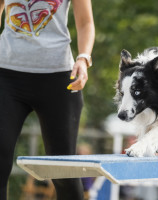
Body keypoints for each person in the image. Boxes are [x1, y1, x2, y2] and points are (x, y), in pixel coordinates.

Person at [0, 0, 95, 199]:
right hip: (6, 75)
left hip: (58, 79)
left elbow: (86, 22)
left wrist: (83, 58)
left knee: (63, 172)